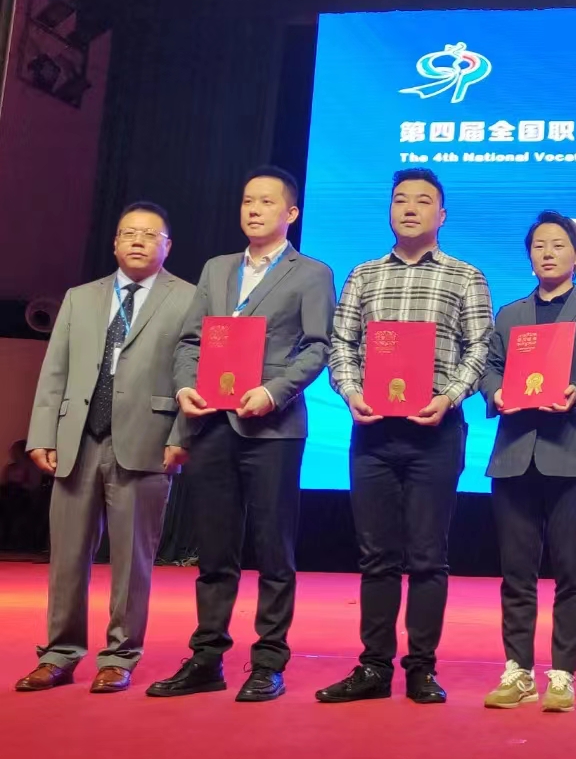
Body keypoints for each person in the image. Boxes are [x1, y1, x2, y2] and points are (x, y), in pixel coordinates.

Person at [149, 167, 335, 703]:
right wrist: (186, 387)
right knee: (214, 550)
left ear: (291, 212)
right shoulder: (217, 268)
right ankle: (207, 657)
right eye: (248, 200)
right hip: (212, 421)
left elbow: (318, 347)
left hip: (273, 427)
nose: (254, 209)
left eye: (267, 202)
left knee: (274, 550)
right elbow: (191, 341)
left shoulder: (312, 273)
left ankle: (268, 661)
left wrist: (274, 392)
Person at [315, 168, 491, 706]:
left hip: (435, 432)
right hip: (372, 432)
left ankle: (421, 668)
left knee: (428, 556)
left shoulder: (466, 277)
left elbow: (480, 348)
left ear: (442, 215)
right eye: (400, 200)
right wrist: (351, 393)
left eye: (422, 201)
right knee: (376, 556)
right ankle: (373, 666)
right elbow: (341, 344)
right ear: (389, 211)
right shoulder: (363, 275)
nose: (409, 208)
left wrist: (450, 396)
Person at [16, 203, 195, 694]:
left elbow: (193, 373)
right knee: (66, 558)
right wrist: (42, 434)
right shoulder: (80, 298)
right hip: (77, 441)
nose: (138, 240)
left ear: (167, 246)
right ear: (114, 243)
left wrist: (182, 436)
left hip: (147, 441)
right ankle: (59, 653)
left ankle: (119, 655)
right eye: (128, 233)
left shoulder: (189, 298)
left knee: (133, 561)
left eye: (150, 234)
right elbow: (54, 370)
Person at [478, 211, 576, 713]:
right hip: (515, 456)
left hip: (573, 455)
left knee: (571, 573)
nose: (547, 253)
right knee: (516, 572)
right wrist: (496, 392)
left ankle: (562, 674)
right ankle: (518, 670)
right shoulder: (510, 315)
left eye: (558, 245)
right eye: (539, 245)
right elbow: (489, 369)